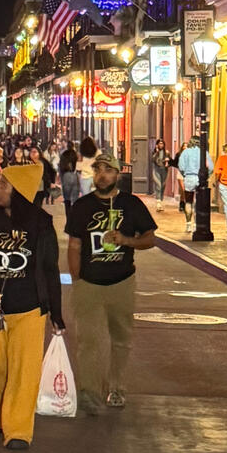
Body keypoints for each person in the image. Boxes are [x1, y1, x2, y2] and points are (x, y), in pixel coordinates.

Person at [0, 164, 64, 449]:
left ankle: (18, 429)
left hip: (29, 308)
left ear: (19, 191)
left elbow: (49, 269)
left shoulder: (41, 224)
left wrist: (55, 312)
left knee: (25, 370)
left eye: (3, 185)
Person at [65, 152, 156, 415]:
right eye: (98, 170)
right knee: (88, 341)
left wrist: (127, 241)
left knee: (121, 339)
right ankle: (89, 392)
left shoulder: (131, 205)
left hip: (122, 281)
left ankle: (115, 387)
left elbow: (150, 238)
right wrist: (77, 279)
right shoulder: (82, 206)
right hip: (90, 284)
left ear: (118, 174)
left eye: (108, 170)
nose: (102, 175)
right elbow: (74, 245)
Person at [178, 136, 213, 233]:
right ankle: (196, 224)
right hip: (200, 179)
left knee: (188, 202)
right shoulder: (204, 153)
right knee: (199, 202)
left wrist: (184, 174)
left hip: (189, 178)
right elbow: (211, 167)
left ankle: (188, 224)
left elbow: (181, 166)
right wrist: (206, 176)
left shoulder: (185, 152)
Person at [59, 141, 80, 223]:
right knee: (75, 198)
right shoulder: (75, 154)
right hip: (74, 175)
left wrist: (61, 178)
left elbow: (61, 166)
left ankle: (68, 218)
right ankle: (74, 217)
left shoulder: (64, 154)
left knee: (67, 198)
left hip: (66, 176)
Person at [151, 139, 171, 212]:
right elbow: (153, 160)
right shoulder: (155, 152)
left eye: (162, 144)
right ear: (157, 144)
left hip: (164, 170)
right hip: (156, 170)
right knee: (158, 185)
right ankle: (158, 202)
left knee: (162, 186)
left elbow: (170, 162)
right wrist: (156, 152)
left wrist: (167, 161)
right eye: (159, 144)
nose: (161, 145)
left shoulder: (167, 152)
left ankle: (161, 202)